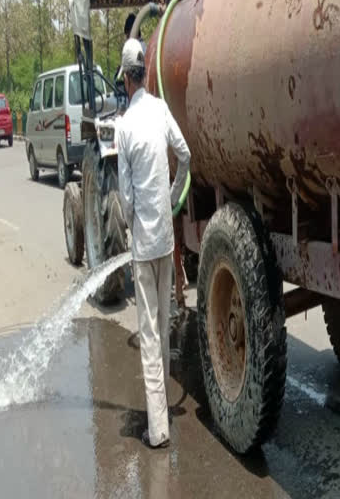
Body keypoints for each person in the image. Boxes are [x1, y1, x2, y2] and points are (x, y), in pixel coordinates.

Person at [116, 38, 192, 449]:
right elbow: (186, 154)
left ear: (127, 79)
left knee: (148, 333)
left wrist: (132, 226)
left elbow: (126, 197)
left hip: (145, 245)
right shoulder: (161, 110)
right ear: (144, 73)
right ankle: (161, 413)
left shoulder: (124, 126)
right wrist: (173, 198)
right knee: (162, 327)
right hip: (165, 237)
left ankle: (158, 428)